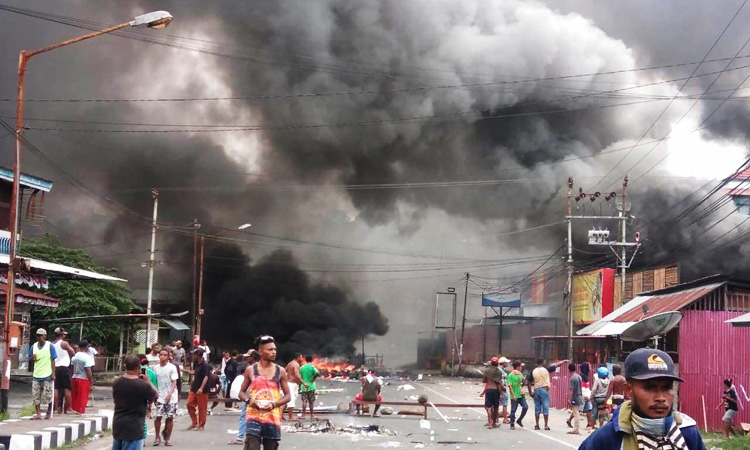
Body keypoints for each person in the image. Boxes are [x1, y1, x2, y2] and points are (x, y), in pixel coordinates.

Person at [578, 348, 706, 450]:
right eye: (650, 388)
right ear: (628, 390)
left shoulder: (688, 434)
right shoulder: (606, 439)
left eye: (667, 388)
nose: (661, 398)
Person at [238, 336, 291, 450]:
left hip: (272, 418)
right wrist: (250, 401)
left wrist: (273, 404)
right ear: (261, 352)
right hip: (254, 417)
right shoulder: (251, 370)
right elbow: (241, 393)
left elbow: (288, 396)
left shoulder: (280, 371)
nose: (274, 352)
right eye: (270, 350)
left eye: (275, 349)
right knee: (252, 447)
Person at [112, 354, 158, 450]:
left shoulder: (117, 382)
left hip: (118, 425)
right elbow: (155, 395)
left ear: (126, 366)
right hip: (134, 428)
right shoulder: (142, 385)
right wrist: (148, 381)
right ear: (139, 367)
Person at [529, 358, 569, 430]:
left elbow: (528, 382)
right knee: (545, 407)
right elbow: (556, 365)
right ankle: (546, 425)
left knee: (537, 408)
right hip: (544, 390)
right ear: (543, 362)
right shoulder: (546, 369)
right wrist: (563, 361)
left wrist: (530, 392)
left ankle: (537, 424)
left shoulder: (533, 371)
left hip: (536, 390)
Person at [229, 350, 260, 446]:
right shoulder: (258, 367)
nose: (246, 358)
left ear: (252, 358)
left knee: (245, 417)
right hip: (252, 396)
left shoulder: (252, 368)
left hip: (252, 396)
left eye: (248, 356)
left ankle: (240, 437)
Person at [153, 348, 179, 446]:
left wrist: (169, 394)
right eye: (161, 354)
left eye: (165, 355)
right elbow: (154, 381)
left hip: (171, 396)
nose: (162, 356)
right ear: (159, 356)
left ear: (168, 357)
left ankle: (168, 438)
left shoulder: (172, 367)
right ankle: (157, 437)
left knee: (169, 417)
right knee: (158, 417)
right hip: (160, 395)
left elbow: (174, 382)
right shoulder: (155, 368)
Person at [30, 328, 57, 420]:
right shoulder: (33, 346)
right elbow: (30, 358)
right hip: (37, 374)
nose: (39, 337)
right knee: (35, 395)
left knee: (48, 394)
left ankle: (49, 412)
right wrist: (32, 358)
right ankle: (38, 413)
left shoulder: (50, 346)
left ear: (45, 336)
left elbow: (53, 360)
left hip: (47, 374)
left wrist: (53, 373)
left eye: (41, 335)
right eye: (38, 335)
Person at [183, 348, 211, 431]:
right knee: (189, 404)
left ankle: (201, 425)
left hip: (202, 389)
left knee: (202, 408)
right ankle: (194, 422)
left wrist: (201, 388)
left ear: (198, 355)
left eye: (194, 354)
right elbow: (195, 372)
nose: (193, 356)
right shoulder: (197, 363)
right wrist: (183, 370)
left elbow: (206, 376)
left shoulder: (205, 365)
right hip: (194, 387)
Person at [52, 327, 75, 415]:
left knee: (56, 388)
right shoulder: (64, 343)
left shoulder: (52, 344)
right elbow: (72, 353)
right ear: (62, 335)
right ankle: (68, 408)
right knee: (67, 388)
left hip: (55, 367)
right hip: (64, 368)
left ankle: (56, 409)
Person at [70, 340, 95, 414]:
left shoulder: (74, 356)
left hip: (74, 378)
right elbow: (88, 371)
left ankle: (74, 410)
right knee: (82, 398)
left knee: (74, 396)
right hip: (83, 379)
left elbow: (72, 368)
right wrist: (91, 383)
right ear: (86, 347)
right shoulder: (86, 357)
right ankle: (80, 412)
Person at [480, 356, 504, 428]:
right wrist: (500, 394)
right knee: (496, 407)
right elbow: (499, 384)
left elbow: (483, 381)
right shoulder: (499, 372)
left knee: (489, 407)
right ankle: (493, 423)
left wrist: (489, 379)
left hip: (489, 390)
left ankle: (489, 423)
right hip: (496, 390)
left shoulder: (487, 371)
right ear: (497, 364)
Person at [508, 360, 528, 430]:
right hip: (514, 394)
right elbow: (510, 386)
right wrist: (513, 395)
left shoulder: (520, 374)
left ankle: (519, 420)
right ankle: (512, 423)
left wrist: (524, 381)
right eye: (520, 366)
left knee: (525, 407)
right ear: (517, 367)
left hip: (521, 393)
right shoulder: (510, 375)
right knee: (513, 410)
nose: (521, 368)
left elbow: (522, 384)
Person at [299, 355, 319, 420]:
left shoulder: (302, 367)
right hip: (311, 386)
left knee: (304, 401)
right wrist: (313, 379)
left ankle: (303, 415)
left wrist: (299, 386)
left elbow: (299, 377)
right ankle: (312, 415)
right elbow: (317, 373)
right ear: (312, 360)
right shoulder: (312, 367)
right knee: (311, 402)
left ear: (305, 360)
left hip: (304, 386)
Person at [284, 354, 303, 421]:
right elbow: (297, 374)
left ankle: (280, 415)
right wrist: (303, 382)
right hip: (291, 384)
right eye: (301, 357)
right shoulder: (295, 364)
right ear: (298, 357)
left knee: (287, 400)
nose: (302, 358)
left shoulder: (290, 363)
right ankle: (290, 417)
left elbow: (284, 370)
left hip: (290, 383)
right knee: (291, 400)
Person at [567, 363, 583, 435]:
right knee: (575, 411)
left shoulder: (572, 378)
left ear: (569, 370)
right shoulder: (579, 377)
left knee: (576, 413)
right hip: (580, 396)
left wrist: (569, 399)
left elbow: (571, 389)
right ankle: (570, 422)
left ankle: (576, 429)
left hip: (575, 397)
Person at [498, 357, 511, 424]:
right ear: (503, 363)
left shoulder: (503, 370)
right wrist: (502, 387)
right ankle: (505, 419)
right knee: (505, 404)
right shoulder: (500, 370)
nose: (507, 363)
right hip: (502, 389)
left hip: (502, 388)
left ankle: (496, 418)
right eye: (506, 362)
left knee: (498, 404)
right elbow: (499, 381)